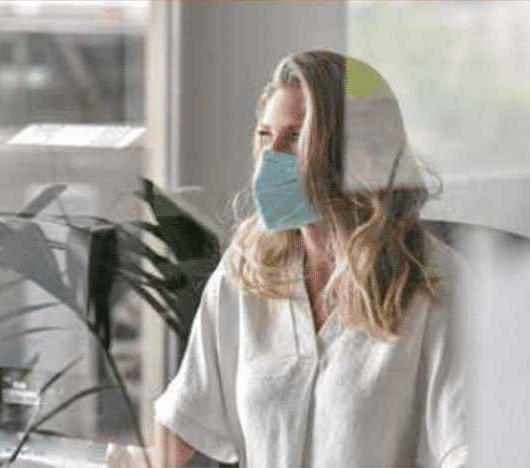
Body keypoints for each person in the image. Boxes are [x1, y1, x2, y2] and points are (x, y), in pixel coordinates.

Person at [107, 50, 468, 467]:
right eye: (265, 135)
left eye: (296, 137)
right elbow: (185, 423)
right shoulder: (247, 273)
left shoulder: (440, 286)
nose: (271, 156)